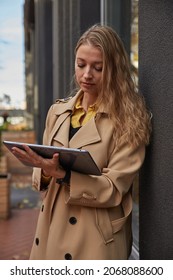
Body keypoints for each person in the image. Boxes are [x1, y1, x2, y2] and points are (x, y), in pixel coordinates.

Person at [12, 24, 151, 260]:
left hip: (93, 241)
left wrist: (62, 174)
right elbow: (41, 180)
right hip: (50, 231)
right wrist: (43, 169)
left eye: (98, 67)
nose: (87, 75)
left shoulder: (130, 120)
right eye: (81, 65)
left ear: (115, 69)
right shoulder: (57, 112)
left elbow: (114, 190)